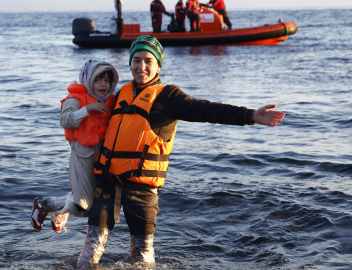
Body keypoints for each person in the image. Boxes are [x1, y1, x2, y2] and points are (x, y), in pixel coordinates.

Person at [76, 35, 286, 267]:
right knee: (90, 250)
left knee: (142, 256)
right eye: (136, 60)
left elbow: (206, 110)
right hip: (108, 182)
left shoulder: (169, 97)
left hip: (142, 187)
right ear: (129, 63)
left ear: (158, 65)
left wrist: (249, 115)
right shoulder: (118, 95)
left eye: (148, 61)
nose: (141, 66)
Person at [30, 60, 119, 233]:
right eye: (97, 79)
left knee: (99, 204)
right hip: (82, 156)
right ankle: (45, 204)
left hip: (103, 157)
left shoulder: (111, 99)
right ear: (88, 79)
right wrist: (88, 109)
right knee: (84, 205)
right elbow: (65, 120)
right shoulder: (75, 99)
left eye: (107, 80)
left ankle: (59, 210)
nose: (103, 84)